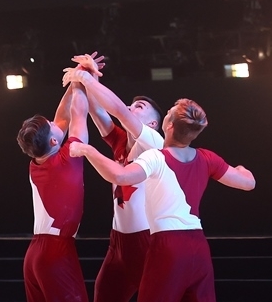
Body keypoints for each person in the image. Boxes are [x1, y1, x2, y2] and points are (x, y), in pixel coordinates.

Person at [69, 98, 256, 302]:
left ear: (165, 126)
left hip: (163, 242)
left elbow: (119, 172)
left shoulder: (155, 152)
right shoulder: (206, 158)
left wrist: (87, 149)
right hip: (191, 244)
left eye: (168, 113)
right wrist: (241, 169)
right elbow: (249, 183)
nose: (131, 108)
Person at [62, 53, 164, 302]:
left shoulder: (154, 142)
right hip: (117, 243)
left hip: (146, 242)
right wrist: (88, 74)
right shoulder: (120, 140)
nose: (130, 107)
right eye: (132, 104)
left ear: (152, 124)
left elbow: (116, 109)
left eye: (139, 107)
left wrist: (87, 78)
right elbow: (98, 110)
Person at [16, 81, 90, 302]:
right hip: (55, 254)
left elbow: (62, 118)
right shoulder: (70, 157)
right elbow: (78, 114)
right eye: (50, 123)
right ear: (53, 140)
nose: (54, 121)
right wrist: (83, 78)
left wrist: (74, 83)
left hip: (34, 255)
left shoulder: (35, 163)